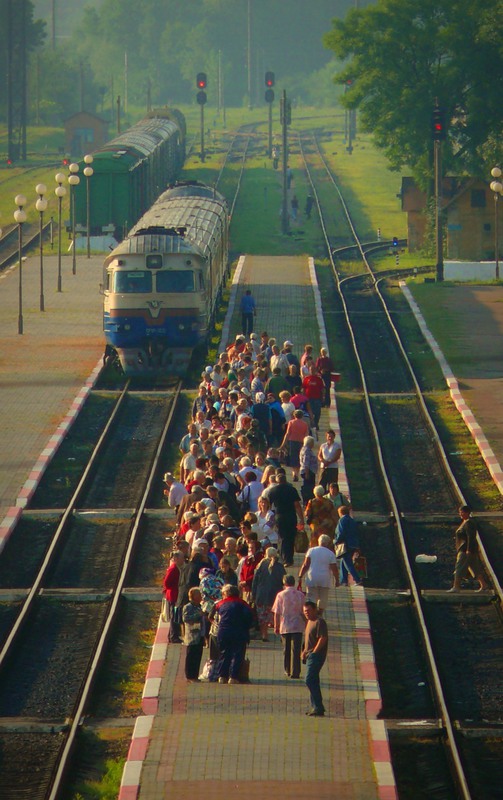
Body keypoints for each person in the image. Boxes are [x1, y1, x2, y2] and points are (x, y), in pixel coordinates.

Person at [215, 584, 254, 684]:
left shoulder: (220, 604)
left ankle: (222, 676)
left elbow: (212, 616)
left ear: (227, 594)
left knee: (224, 653)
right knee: (238, 654)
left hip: (223, 631)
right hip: (239, 632)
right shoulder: (244, 604)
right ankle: (233, 677)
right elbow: (250, 618)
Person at [267, 472, 305, 567]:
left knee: (282, 537)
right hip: (291, 516)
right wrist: (301, 518)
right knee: (291, 537)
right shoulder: (292, 489)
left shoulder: (273, 490)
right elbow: (297, 505)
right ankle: (289, 558)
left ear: (277, 481)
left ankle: (284, 558)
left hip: (279, 516)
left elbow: (268, 504)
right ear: (285, 480)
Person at [448, 505, 489, 592]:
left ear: (467, 513)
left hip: (465, 550)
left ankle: (456, 587)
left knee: (459, 567)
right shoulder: (466, 522)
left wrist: (468, 549)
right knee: (474, 568)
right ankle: (484, 585)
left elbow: (471, 537)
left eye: (462, 512)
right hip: (468, 550)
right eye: (460, 512)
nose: (460, 514)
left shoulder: (469, 523)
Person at [272, 574, 306, 679]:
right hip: (298, 624)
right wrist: (307, 624)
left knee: (286, 649)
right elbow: (304, 611)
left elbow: (277, 612)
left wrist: (276, 626)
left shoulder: (280, 595)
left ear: (284, 583)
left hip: (285, 625)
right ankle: (296, 671)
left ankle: (287, 669)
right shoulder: (300, 595)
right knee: (296, 649)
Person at [251, 547, 286, 641]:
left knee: (262, 616)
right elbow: (284, 581)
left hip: (261, 595)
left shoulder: (261, 565)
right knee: (275, 614)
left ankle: (264, 634)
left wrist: (253, 594)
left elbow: (255, 581)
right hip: (275, 594)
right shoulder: (280, 566)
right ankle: (279, 634)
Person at [298, 533, 339, 611]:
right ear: (328, 543)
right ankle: (320, 613)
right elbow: (334, 569)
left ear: (319, 541)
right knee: (323, 597)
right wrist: (337, 580)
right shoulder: (331, 554)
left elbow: (305, 565)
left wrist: (300, 575)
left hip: (312, 577)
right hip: (325, 579)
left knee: (311, 596)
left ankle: (311, 612)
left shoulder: (311, 550)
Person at [302, 600, 328, 717]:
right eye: (304, 611)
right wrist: (303, 652)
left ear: (314, 609)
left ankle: (318, 705)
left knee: (309, 680)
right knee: (313, 680)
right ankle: (316, 707)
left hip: (316, 656)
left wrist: (314, 652)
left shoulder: (319, 622)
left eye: (308, 610)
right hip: (309, 655)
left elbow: (323, 638)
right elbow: (308, 640)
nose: (306, 613)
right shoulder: (309, 622)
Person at [335, 506, 362, 587]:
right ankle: (344, 580)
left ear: (340, 513)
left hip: (345, 544)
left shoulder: (342, 520)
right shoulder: (352, 520)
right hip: (353, 544)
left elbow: (341, 532)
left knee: (348, 562)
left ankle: (357, 579)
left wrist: (336, 541)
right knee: (343, 561)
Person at [162, 550, 185, 643]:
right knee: (174, 616)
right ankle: (173, 636)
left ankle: (173, 634)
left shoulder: (178, 568)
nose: (183, 559)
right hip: (173, 595)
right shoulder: (173, 568)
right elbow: (166, 582)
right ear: (176, 559)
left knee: (175, 615)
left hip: (176, 595)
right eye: (181, 558)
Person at [280, 408, 309, 483]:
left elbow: (287, 433)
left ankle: (294, 473)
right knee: (299, 458)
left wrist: (283, 444)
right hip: (301, 443)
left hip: (292, 442)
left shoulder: (291, 422)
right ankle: (297, 473)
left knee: (292, 458)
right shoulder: (305, 424)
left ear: (294, 415)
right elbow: (306, 435)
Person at [182, 587, 205, 682]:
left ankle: (195, 675)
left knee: (198, 656)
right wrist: (199, 615)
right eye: (199, 595)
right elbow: (186, 619)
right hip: (192, 635)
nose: (201, 596)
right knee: (191, 656)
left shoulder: (200, 606)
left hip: (200, 635)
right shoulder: (188, 607)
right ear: (193, 596)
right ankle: (189, 676)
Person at [299, 435, 318, 504]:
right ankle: (307, 500)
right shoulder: (307, 450)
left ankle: (307, 500)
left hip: (308, 471)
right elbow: (306, 462)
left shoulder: (304, 449)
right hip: (308, 471)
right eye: (312, 443)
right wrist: (307, 473)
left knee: (308, 486)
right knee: (309, 487)